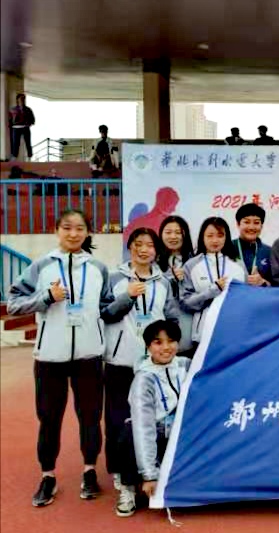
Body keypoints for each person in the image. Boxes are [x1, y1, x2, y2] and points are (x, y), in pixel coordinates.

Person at [7, 209, 132, 507]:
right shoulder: (41, 267)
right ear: (56, 230)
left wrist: (128, 298)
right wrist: (46, 298)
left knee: (90, 418)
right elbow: (13, 304)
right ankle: (47, 475)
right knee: (48, 419)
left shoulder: (98, 268)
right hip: (50, 356)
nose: (73, 234)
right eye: (67, 228)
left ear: (88, 233)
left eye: (80, 228)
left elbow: (106, 309)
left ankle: (89, 472)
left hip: (89, 356)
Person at [103, 228, 180, 511]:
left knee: (153, 422)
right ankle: (122, 479)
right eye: (138, 245)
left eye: (149, 245)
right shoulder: (114, 278)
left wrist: (168, 350)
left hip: (153, 366)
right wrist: (127, 297)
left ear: (156, 251)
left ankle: (152, 471)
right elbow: (106, 314)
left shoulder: (164, 283)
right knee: (118, 423)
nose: (144, 250)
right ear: (130, 248)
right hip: (121, 361)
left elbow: (171, 319)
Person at [114, 320, 191, 517]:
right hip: (154, 434)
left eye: (171, 341)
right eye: (158, 342)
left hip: (177, 433)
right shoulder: (143, 379)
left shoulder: (186, 365)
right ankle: (128, 488)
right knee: (130, 434)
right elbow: (144, 429)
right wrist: (149, 475)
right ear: (148, 346)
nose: (166, 348)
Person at [181, 217, 246, 344]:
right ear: (202, 237)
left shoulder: (238, 264)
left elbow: (246, 300)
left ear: (226, 237)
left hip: (233, 332)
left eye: (220, 235)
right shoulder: (191, 265)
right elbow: (185, 303)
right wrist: (211, 291)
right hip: (203, 334)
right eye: (210, 236)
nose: (215, 240)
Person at [157, 216, 195, 357]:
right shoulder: (152, 262)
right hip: (159, 331)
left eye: (178, 232)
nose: (173, 236)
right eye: (168, 232)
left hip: (188, 330)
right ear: (161, 234)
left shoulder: (195, 261)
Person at [232, 203, 272, 287]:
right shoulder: (227, 248)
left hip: (260, 298)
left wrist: (263, 282)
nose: (251, 227)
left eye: (256, 223)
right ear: (238, 224)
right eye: (246, 222)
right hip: (233, 298)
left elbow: (278, 286)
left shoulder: (269, 252)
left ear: (261, 226)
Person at [9, 93, 35, 160]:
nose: (22, 100)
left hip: (25, 128)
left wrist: (29, 124)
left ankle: (30, 157)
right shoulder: (13, 109)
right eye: (20, 98)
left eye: (23, 99)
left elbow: (33, 119)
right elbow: (10, 119)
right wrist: (11, 126)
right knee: (15, 144)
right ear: (17, 99)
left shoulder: (28, 109)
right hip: (16, 129)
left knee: (28, 143)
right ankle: (14, 158)